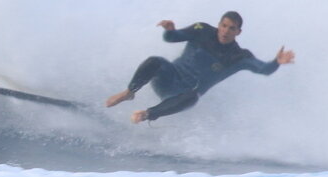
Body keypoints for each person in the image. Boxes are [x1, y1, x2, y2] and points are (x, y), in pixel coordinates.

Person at [105, 11, 295, 123]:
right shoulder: (201, 30)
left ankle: (147, 114)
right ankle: (130, 92)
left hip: (180, 96)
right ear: (219, 24)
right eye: (224, 26)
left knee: (192, 97)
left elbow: (263, 69)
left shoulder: (239, 56)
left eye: (232, 28)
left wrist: (276, 62)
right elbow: (173, 38)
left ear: (239, 32)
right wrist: (170, 30)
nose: (226, 31)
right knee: (155, 61)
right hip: (168, 77)